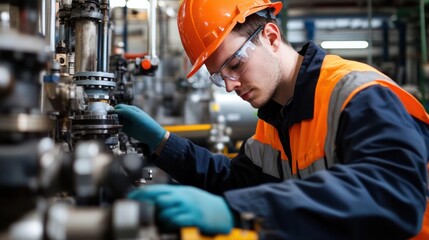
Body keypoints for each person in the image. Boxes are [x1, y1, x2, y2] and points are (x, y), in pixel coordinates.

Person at [111, 0, 429, 239]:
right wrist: (162, 142)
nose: (231, 85)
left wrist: (238, 210)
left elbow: (393, 194)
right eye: (220, 78)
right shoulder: (276, 118)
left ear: (272, 36)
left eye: (235, 65)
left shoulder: (358, 96)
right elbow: (234, 181)